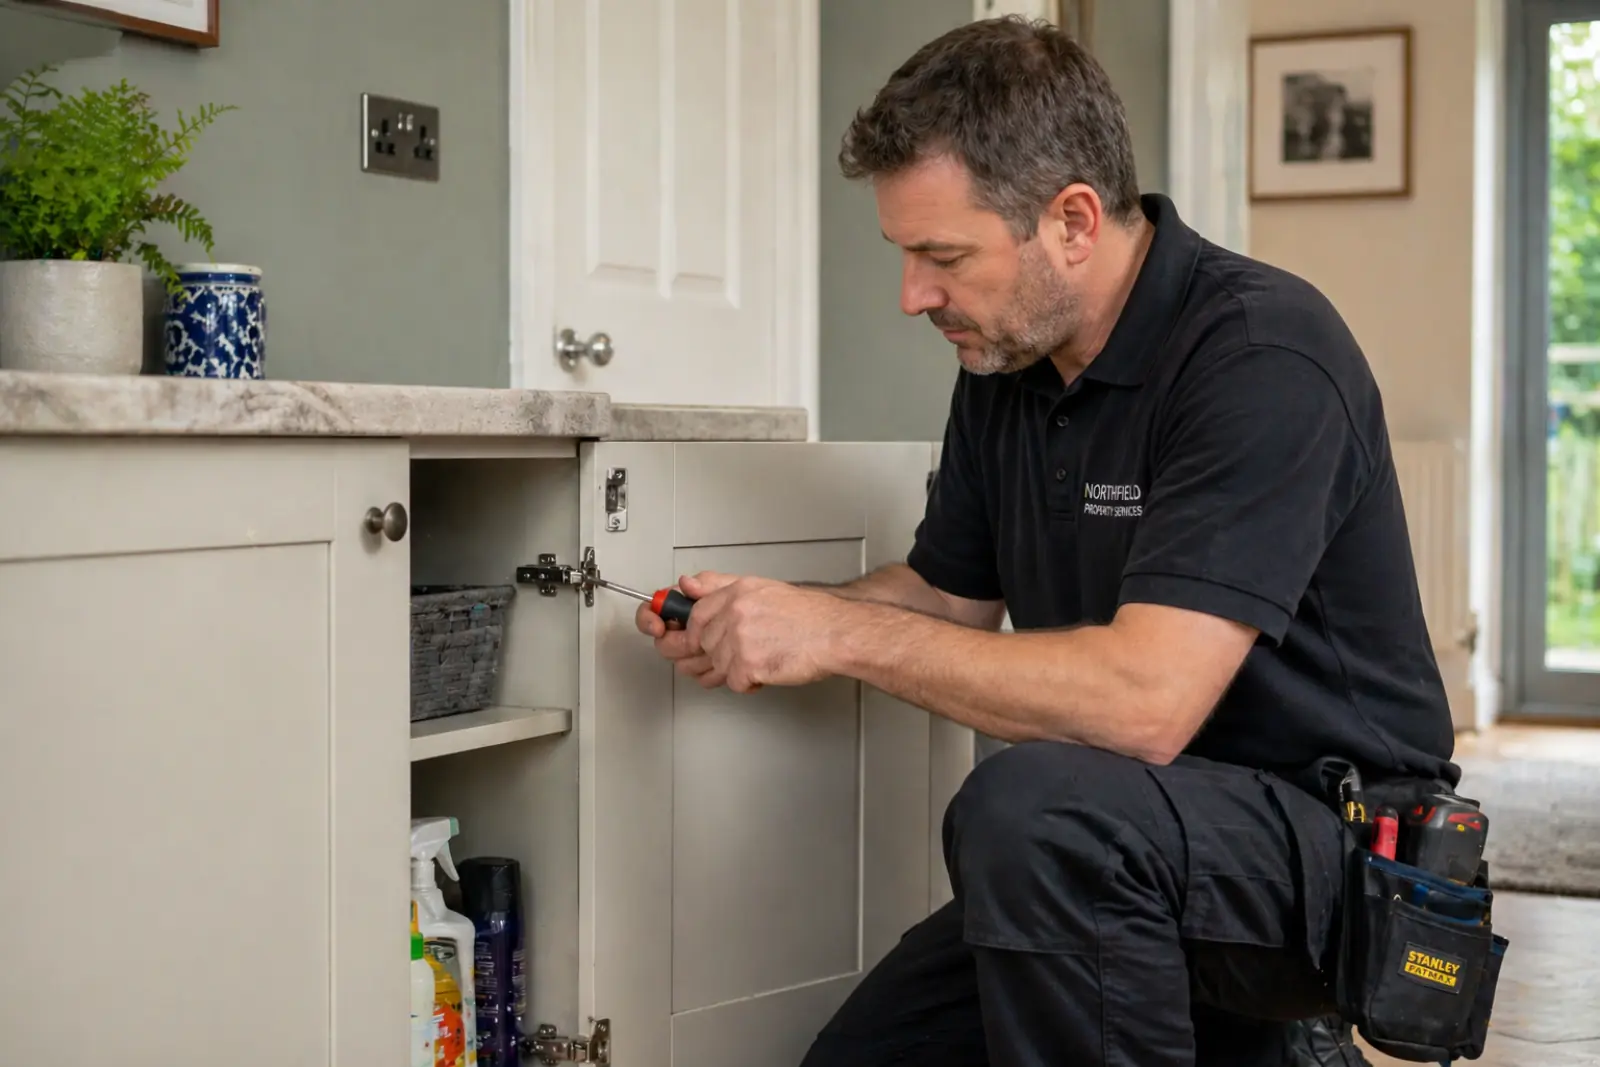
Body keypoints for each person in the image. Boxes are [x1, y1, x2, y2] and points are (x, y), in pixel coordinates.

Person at [634, 16, 1458, 1067]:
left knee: (1028, 806)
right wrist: (776, 612)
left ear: (1072, 221)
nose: (912, 296)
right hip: (1116, 847)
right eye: (904, 256)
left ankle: (1277, 1029)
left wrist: (836, 637)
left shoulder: (1263, 354)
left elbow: (1144, 702)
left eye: (941, 256)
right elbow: (946, 596)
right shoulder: (1005, 367)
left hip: (1332, 853)